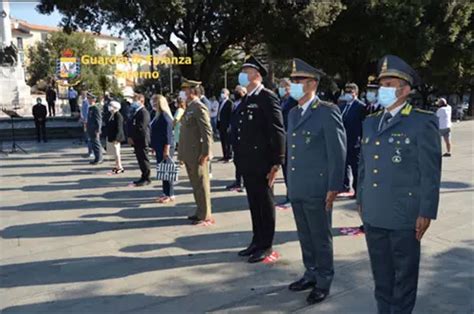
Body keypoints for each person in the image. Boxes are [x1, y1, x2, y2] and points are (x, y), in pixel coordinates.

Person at [357, 55, 441, 314]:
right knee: (381, 278)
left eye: (389, 83)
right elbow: (363, 166)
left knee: (403, 280)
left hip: (404, 215)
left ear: (405, 89)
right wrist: (360, 199)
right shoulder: (371, 122)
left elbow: (430, 172)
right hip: (374, 213)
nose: (382, 89)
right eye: (381, 84)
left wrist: (426, 211)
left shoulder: (421, 121)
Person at [286, 58, 346, 305]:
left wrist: (334, 186)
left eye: (298, 80)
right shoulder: (292, 113)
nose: (293, 85)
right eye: (292, 81)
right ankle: (310, 273)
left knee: (320, 236)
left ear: (312, 84)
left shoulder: (327, 111)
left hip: (319, 188)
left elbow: (338, 152)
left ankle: (323, 280)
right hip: (298, 185)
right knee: (304, 234)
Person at [234, 55, 285, 263]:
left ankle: (266, 244)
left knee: (265, 203)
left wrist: (277, 161)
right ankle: (256, 240)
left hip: (263, 162)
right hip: (248, 161)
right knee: (254, 202)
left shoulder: (267, 97)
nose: (242, 75)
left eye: (246, 71)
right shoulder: (247, 98)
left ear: (256, 75)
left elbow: (277, 130)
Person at [178, 78, 214, 225]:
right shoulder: (190, 106)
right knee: (195, 185)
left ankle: (205, 214)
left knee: (201, 184)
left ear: (192, 91)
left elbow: (207, 131)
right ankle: (199, 211)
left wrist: (206, 152)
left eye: (185, 90)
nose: (183, 93)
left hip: (197, 153)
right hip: (189, 153)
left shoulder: (199, 107)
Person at [338, 82, 366, 197]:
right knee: (344, 165)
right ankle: (345, 186)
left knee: (355, 167)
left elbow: (363, 124)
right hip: (344, 140)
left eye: (351, 91)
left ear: (356, 93)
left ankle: (357, 190)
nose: (348, 94)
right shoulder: (343, 106)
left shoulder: (361, 106)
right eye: (346, 91)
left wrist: (361, 139)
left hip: (355, 141)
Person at [276, 77, 297, 208]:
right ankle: (289, 194)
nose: (281, 89)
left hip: (291, 138)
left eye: (283, 86)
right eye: (280, 86)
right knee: (285, 169)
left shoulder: (294, 101)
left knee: (291, 169)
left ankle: (292, 196)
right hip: (284, 139)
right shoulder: (282, 101)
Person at [150, 94, 176, 203]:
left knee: (167, 171)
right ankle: (165, 192)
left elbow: (167, 135)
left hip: (165, 147)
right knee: (163, 171)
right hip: (159, 146)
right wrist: (154, 147)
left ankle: (170, 194)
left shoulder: (165, 117)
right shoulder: (158, 115)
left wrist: (166, 149)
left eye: (155, 102)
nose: (153, 104)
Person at [127, 93, 151, 186]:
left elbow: (141, 127)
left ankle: (147, 178)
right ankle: (143, 176)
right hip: (137, 139)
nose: (133, 102)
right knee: (140, 159)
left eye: (135, 100)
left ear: (141, 101)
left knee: (144, 159)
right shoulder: (135, 112)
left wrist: (132, 136)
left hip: (142, 139)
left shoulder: (144, 112)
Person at [226, 85, 247, 191]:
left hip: (242, 138)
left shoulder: (245, 103)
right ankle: (238, 181)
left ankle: (241, 182)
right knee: (237, 160)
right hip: (234, 136)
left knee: (241, 161)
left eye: (239, 91)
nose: (236, 93)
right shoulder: (236, 103)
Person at [106, 100, 125, 174]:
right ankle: (117, 165)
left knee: (117, 152)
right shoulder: (112, 115)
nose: (110, 107)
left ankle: (120, 166)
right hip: (112, 136)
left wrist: (116, 139)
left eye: (111, 106)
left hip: (116, 138)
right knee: (114, 152)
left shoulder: (118, 115)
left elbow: (119, 128)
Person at [86, 93, 103, 165]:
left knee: (96, 144)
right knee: (93, 144)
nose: (88, 100)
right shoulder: (91, 108)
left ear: (94, 100)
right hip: (91, 129)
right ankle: (96, 158)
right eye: (88, 99)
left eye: (90, 99)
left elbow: (98, 119)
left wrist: (98, 130)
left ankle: (99, 158)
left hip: (94, 129)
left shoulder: (96, 108)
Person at [217, 88, 233, 162]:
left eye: (223, 92)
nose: (222, 93)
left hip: (226, 125)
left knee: (228, 141)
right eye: (221, 92)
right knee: (223, 140)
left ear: (227, 94)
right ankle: (225, 155)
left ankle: (229, 155)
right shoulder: (221, 102)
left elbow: (231, 115)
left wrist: (230, 125)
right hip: (221, 124)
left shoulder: (230, 103)